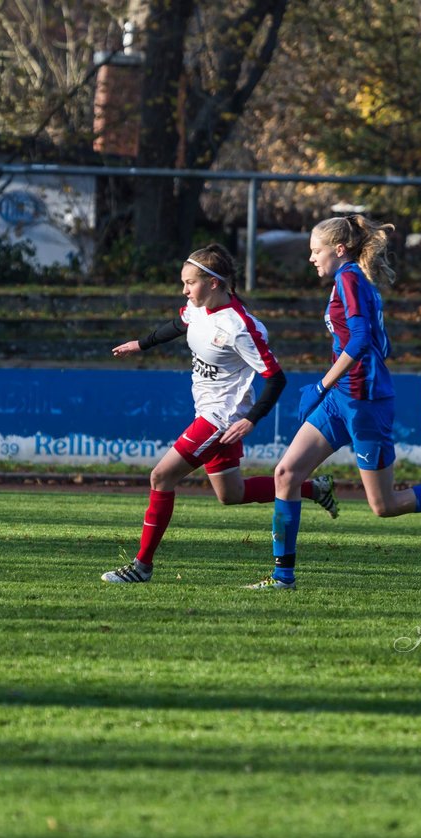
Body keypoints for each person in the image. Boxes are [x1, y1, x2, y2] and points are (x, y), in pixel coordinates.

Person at [103, 243, 339, 584]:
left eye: (190, 283)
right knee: (232, 494)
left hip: (222, 418)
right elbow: (179, 324)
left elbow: (276, 378)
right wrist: (141, 344)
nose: (184, 290)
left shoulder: (240, 327)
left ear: (214, 283)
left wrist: (250, 419)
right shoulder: (197, 307)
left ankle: (141, 567)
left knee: (161, 477)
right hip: (209, 411)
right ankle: (313, 489)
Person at [247, 215, 421, 592]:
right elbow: (381, 342)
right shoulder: (352, 282)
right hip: (342, 398)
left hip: (363, 401)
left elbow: (360, 341)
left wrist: (321, 384)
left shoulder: (348, 279)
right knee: (286, 474)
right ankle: (282, 577)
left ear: (339, 249)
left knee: (384, 505)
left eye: (316, 251)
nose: (311, 258)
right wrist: (331, 388)